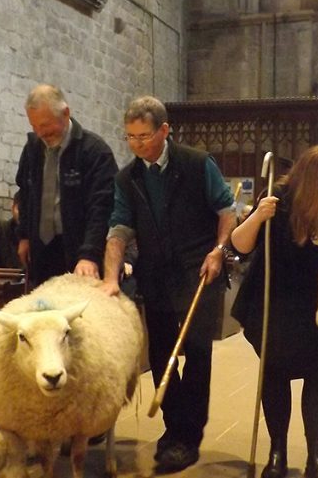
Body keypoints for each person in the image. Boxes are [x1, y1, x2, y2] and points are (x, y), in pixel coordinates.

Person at [100, 96, 235, 474]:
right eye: (130, 137)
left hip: (199, 272)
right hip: (156, 275)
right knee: (161, 356)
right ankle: (175, 428)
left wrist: (218, 250)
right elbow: (119, 228)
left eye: (144, 136)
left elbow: (227, 210)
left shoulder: (196, 163)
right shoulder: (128, 178)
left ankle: (187, 436)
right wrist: (111, 278)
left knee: (196, 354)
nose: (137, 144)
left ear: (164, 130)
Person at [230, 145, 318, 478]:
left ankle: (315, 455)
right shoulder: (278, 198)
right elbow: (240, 244)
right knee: (275, 374)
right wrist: (257, 217)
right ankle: (276, 450)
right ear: (311, 185)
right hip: (274, 300)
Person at [16, 84, 118, 286]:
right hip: (42, 251)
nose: (40, 133)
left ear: (66, 113)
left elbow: (102, 208)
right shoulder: (32, 148)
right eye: (34, 126)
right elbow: (25, 195)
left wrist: (89, 253)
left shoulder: (95, 151)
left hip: (79, 251)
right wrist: (24, 236)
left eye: (45, 125)